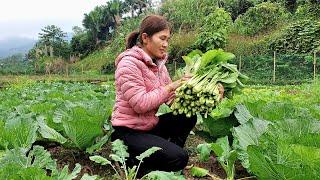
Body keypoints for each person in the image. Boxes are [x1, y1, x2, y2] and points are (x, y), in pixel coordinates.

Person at [110, 15, 197, 176]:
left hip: (148, 127)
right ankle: (138, 165)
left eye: (168, 39)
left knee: (188, 116)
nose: (166, 44)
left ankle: (162, 157)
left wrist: (200, 93)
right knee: (180, 158)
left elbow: (173, 100)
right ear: (145, 38)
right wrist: (171, 86)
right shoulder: (128, 64)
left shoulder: (159, 65)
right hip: (128, 133)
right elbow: (140, 104)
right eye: (162, 38)